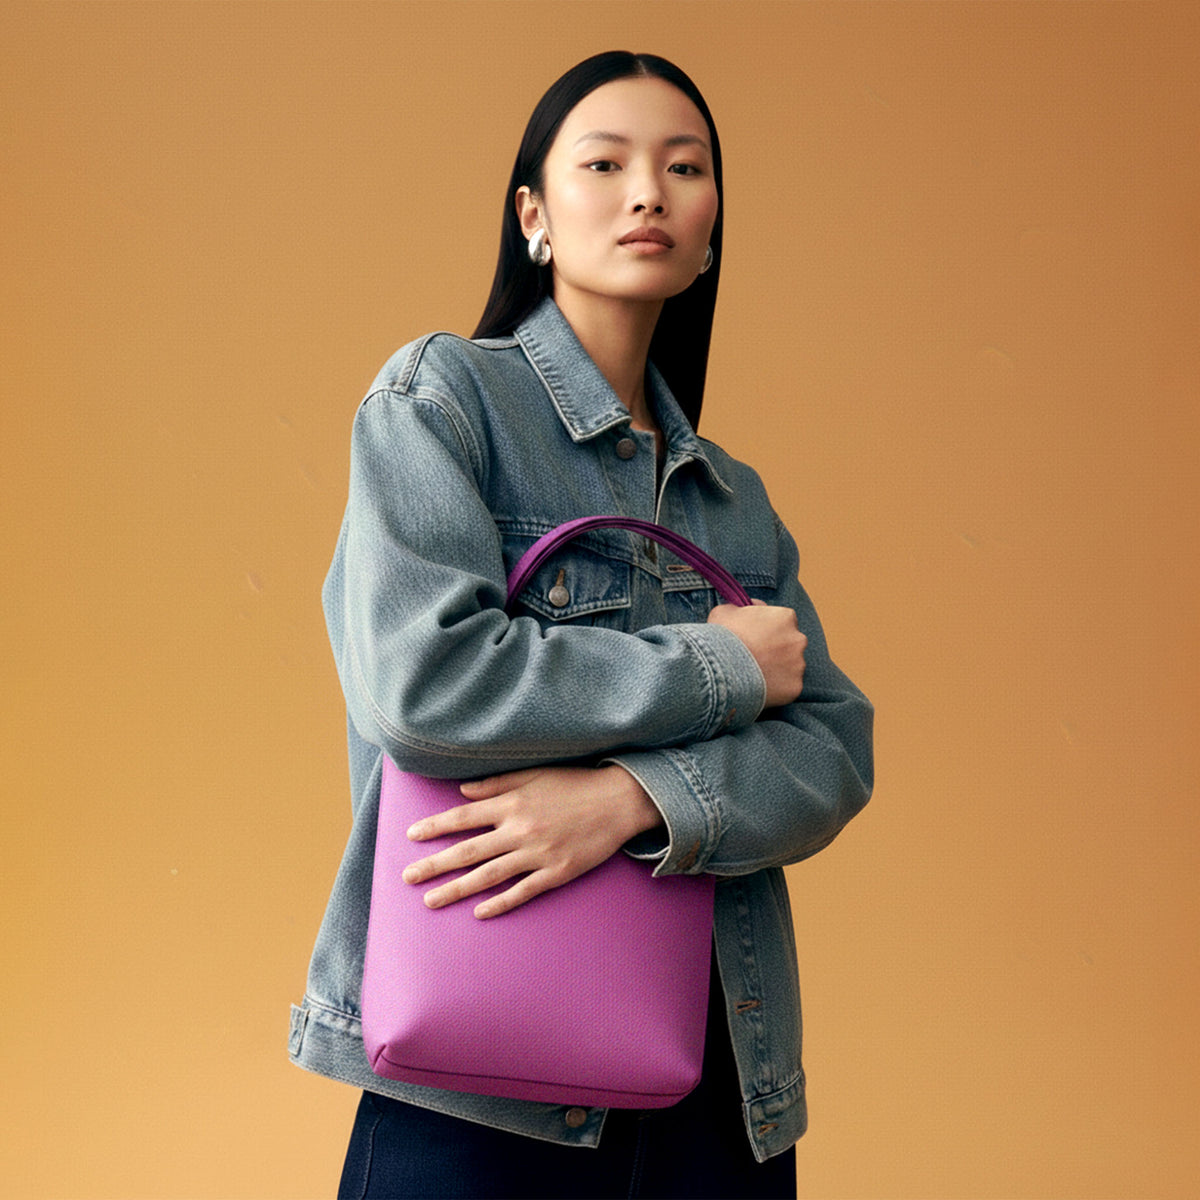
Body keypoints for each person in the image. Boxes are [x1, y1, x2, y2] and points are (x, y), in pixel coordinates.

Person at [289, 50, 874, 1200]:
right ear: (533, 216)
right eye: (603, 163)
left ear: (710, 233)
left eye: (684, 168)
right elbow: (427, 687)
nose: (647, 191)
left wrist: (630, 800)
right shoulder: (443, 404)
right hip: (479, 1092)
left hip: (719, 1095)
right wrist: (718, 671)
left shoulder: (732, 502)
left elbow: (834, 749)